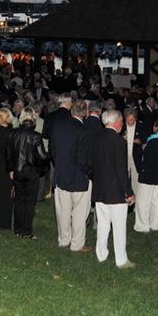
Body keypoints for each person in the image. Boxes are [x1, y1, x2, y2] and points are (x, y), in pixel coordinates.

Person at [91, 109, 135, 268]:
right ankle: (121, 259)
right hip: (115, 191)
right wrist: (128, 192)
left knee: (103, 224)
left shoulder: (96, 138)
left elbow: (91, 164)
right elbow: (121, 170)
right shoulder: (119, 141)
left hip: (100, 189)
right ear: (116, 122)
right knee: (119, 226)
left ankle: (101, 254)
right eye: (122, 121)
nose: (123, 124)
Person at [50, 99, 92, 253]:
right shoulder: (84, 131)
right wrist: (90, 174)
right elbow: (83, 159)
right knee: (80, 212)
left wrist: (59, 165)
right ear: (85, 113)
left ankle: (63, 239)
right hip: (79, 177)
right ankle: (76, 244)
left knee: (63, 210)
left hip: (61, 174)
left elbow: (52, 150)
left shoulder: (58, 126)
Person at [9, 107, 49, 238]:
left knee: (19, 200)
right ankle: (26, 231)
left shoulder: (13, 134)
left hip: (18, 171)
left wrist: (10, 169)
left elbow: (8, 154)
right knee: (30, 202)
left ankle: (18, 230)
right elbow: (43, 156)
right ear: (33, 118)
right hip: (31, 172)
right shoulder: (35, 136)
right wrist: (40, 165)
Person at [134, 118, 158, 233]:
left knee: (143, 201)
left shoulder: (152, 142)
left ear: (156, 128)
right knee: (156, 201)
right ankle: (154, 224)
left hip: (148, 175)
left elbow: (147, 161)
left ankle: (142, 225)